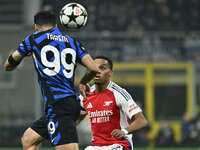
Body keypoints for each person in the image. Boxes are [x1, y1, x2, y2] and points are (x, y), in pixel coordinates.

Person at [4, 11, 99, 150]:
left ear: (36, 27)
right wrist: (83, 82)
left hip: (59, 104)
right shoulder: (72, 41)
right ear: (55, 25)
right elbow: (94, 68)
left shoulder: (33, 39)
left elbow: (8, 66)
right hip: (64, 104)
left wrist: (25, 55)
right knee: (28, 140)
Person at [77, 55, 148, 150]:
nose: (97, 71)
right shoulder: (85, 95)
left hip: (119, 144)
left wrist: (124, 131)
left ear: (110, 73)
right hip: (95, 146)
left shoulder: (119, 93)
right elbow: (76, 119)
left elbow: (142, 121)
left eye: (102, 68)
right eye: (94, 67)